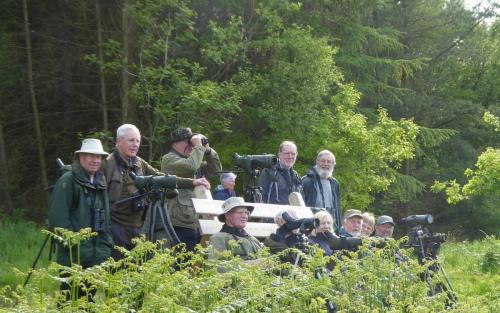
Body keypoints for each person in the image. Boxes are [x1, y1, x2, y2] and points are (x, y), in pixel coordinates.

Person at [101, 124, 209, 259]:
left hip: (139, 226)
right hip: (115, 226)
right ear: (118, 142)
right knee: (115, 268)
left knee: (136, 269)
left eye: (138, 141)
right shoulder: (106, 164)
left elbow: (161, 178)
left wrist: (192, 182)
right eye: (131, 140)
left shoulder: (139, 163)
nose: (135, 144)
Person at [48, 138, 113, 299]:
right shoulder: (68, 180)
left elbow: (106, 219)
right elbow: (58, 220)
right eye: (91, 156)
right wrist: (76, 247)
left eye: (98, 157)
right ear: (81, 157)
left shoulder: (100, 181)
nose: (95, 160)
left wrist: (105, 247)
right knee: (70, 302)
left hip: (96, 256)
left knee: (88, 301)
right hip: (74, 257)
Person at [161, 127, 222, 251]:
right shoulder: (169, 159)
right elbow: (191, 166)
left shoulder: (193, 159)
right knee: (180, 262)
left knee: (193, 263)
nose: (192, 146)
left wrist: (208, 151)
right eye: (189, 142)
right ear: (176, 143)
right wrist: (198, 146)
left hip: (194, 220)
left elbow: (216, 171)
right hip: (177, 222)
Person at [302, 150, 342, 232]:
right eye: (323, 161)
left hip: (330, 228)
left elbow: (337, 209)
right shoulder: (307, 181)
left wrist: (339, 229)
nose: (326, 164)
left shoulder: (335, 184)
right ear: (317, 162)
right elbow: (301, 207)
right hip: (312, 228)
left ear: (333, 164)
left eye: (329, 162)